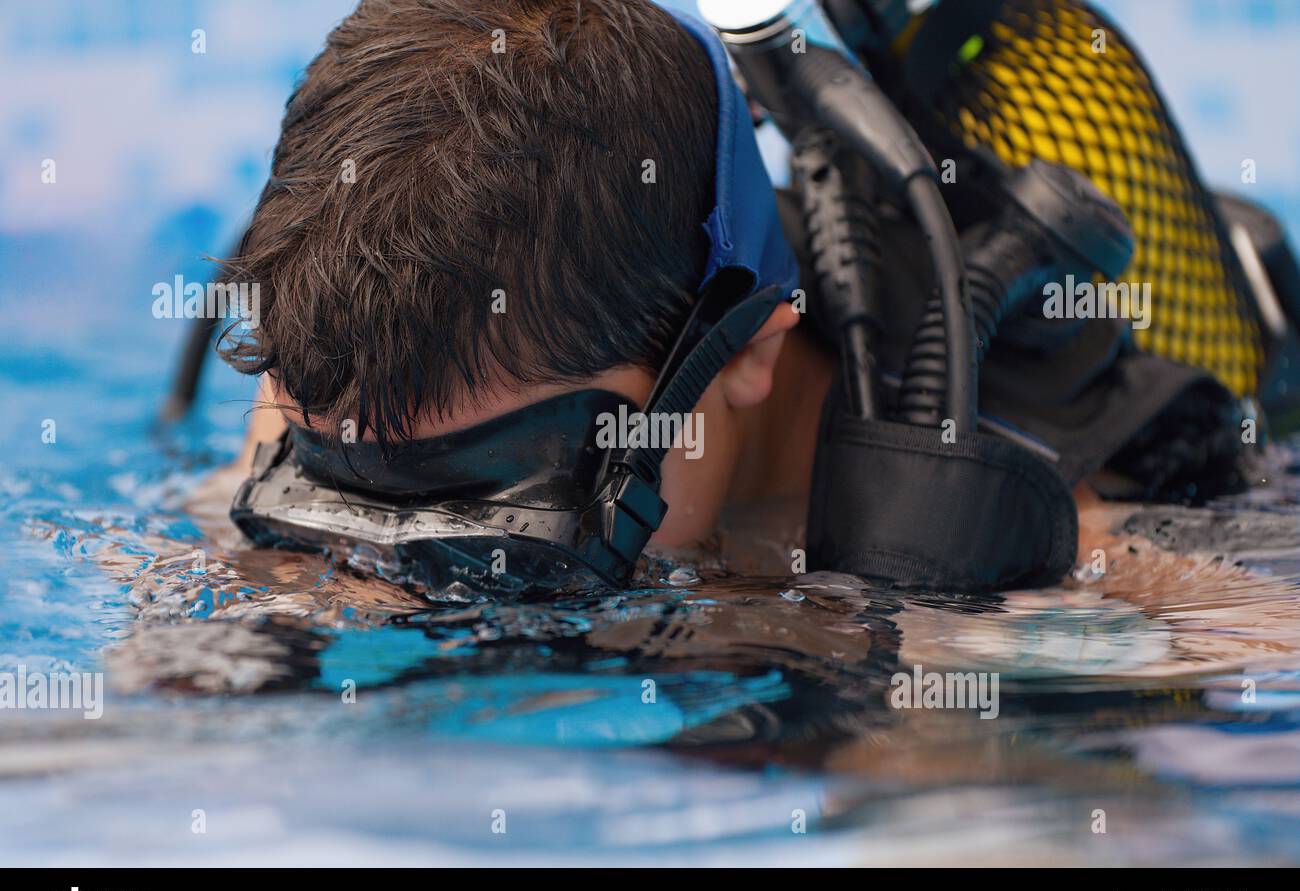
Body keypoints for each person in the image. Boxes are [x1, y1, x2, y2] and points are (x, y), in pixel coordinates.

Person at [217, 0, 1256, 592]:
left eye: (502, 519)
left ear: (749, 348)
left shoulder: (1045, 528)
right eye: (322, 484)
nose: (367, 591)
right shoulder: (355, 365)